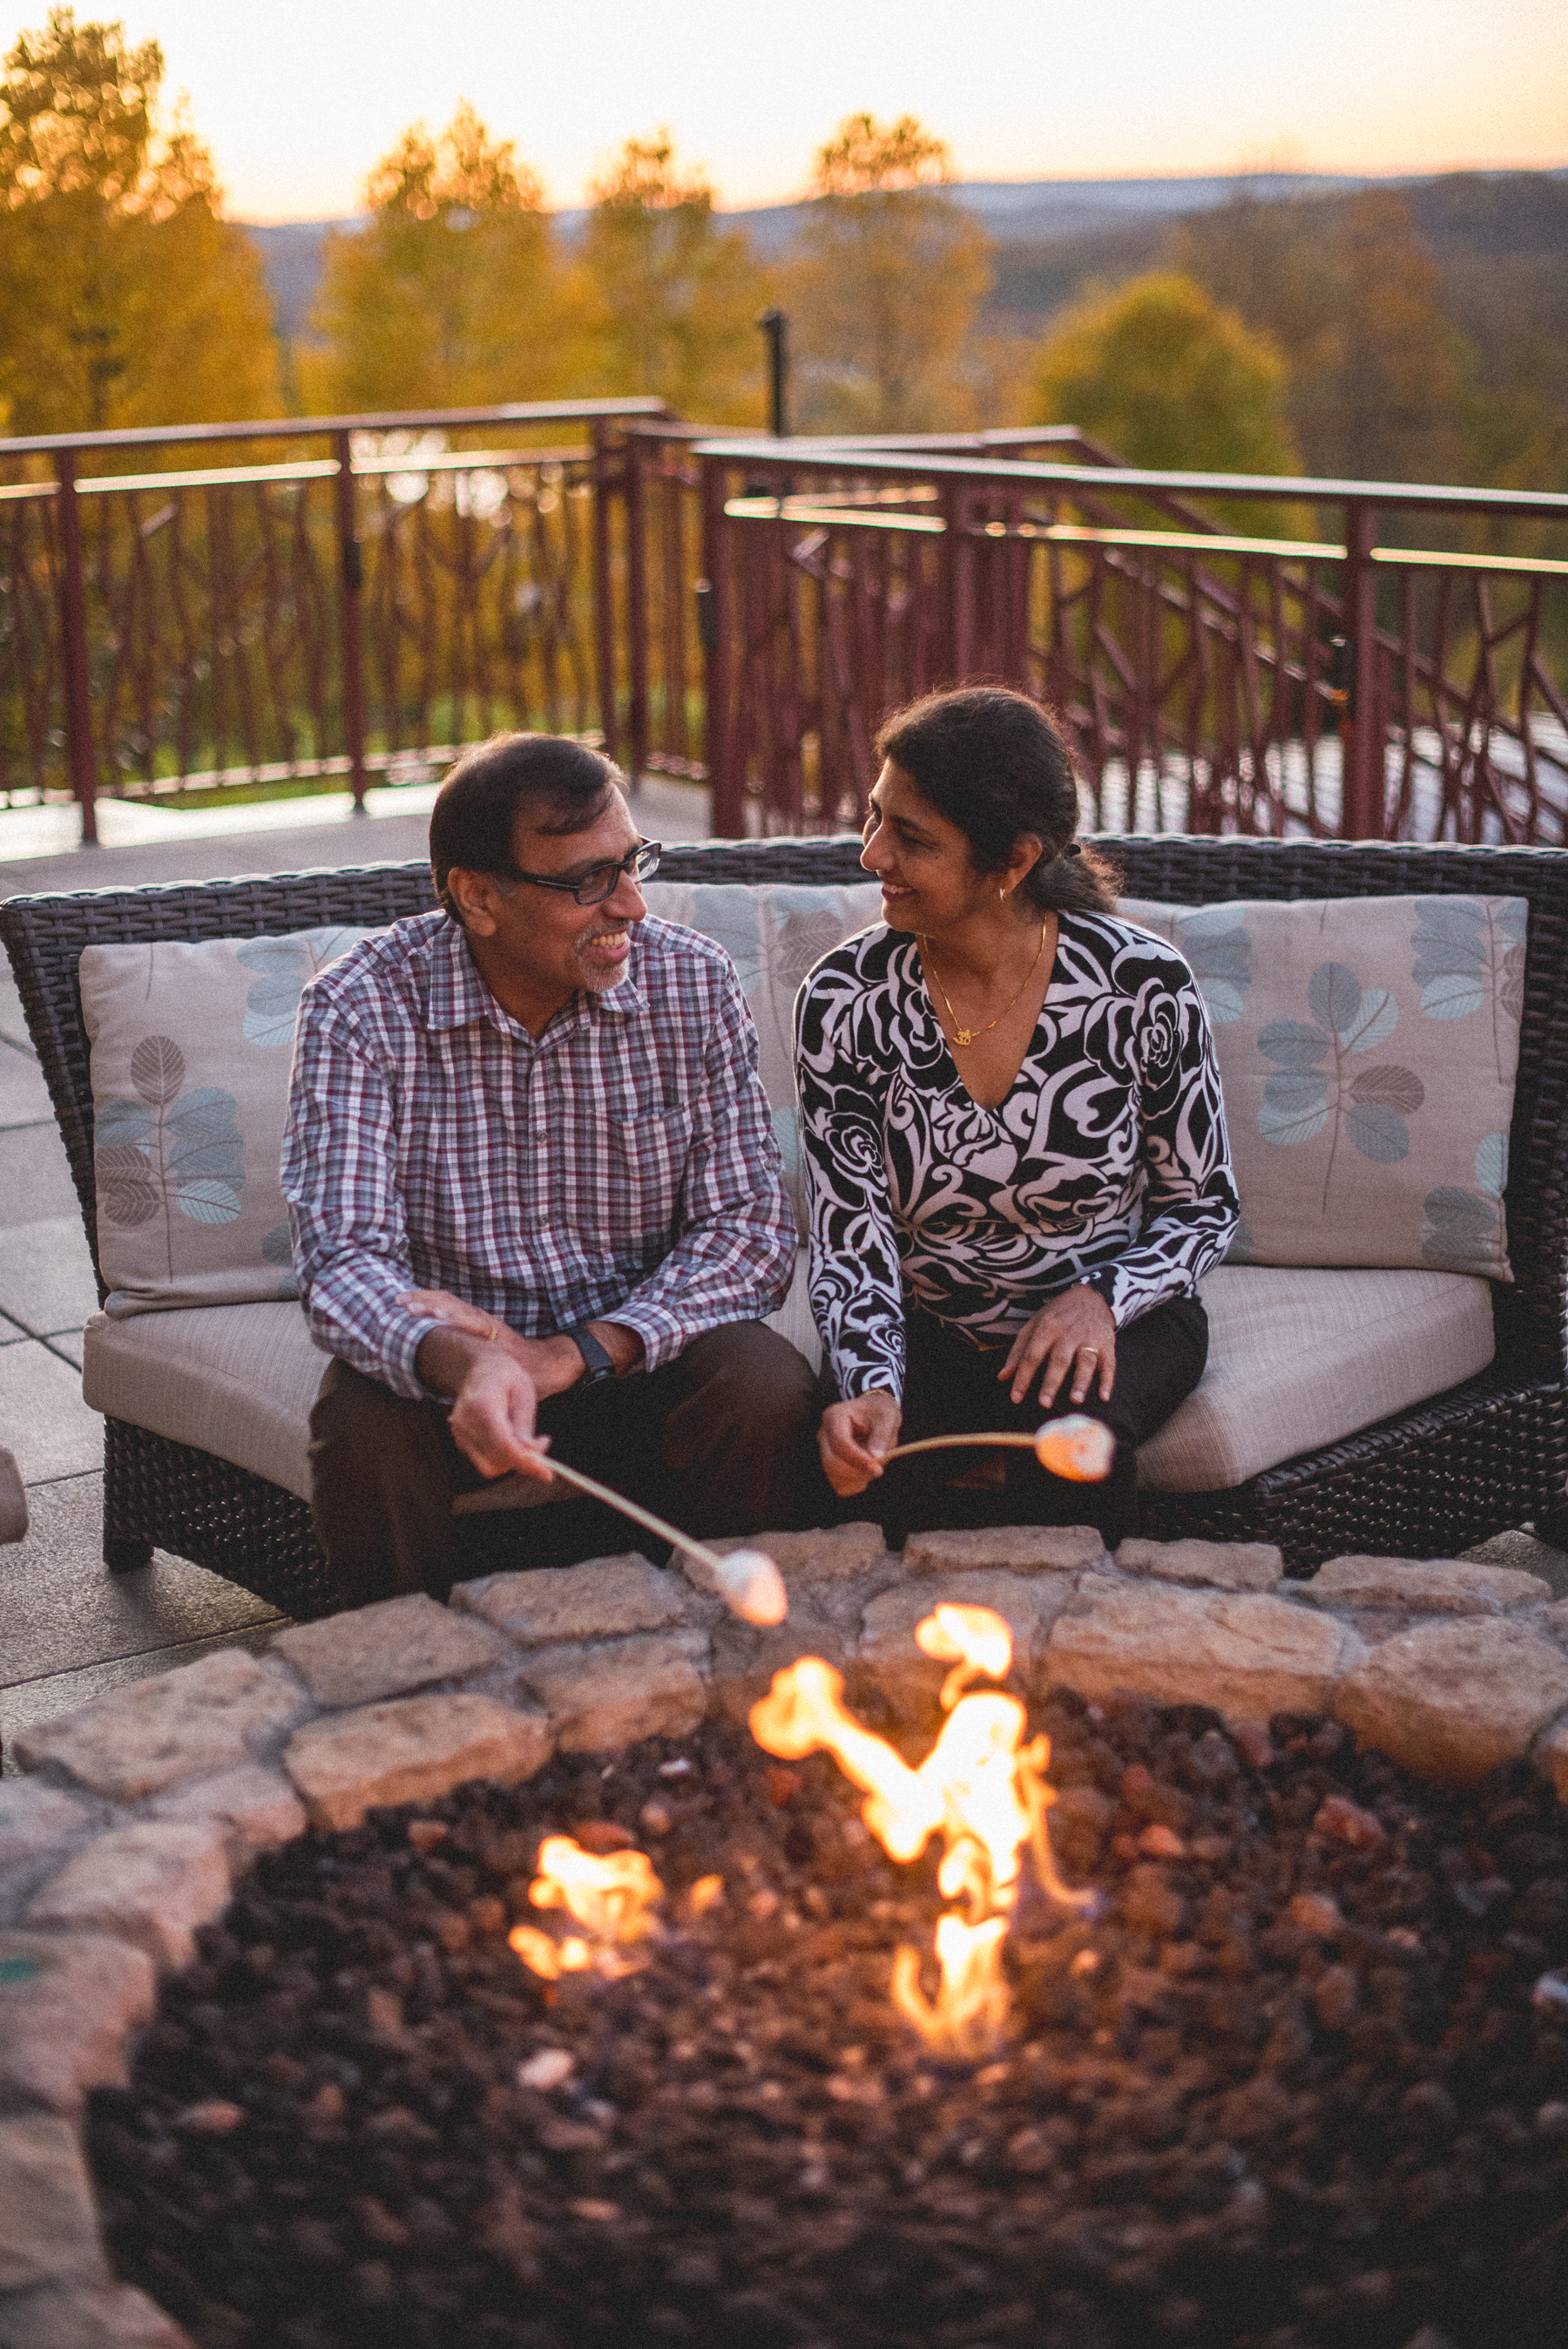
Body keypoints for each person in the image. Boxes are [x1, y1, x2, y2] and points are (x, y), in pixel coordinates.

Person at [282, 732, 813, 1607]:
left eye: (632, 863)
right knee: (360, 1432)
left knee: (762, 1387)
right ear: (478, 897)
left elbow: (750, 1228)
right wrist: (469, 1361)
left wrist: (574, 1354)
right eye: (585, 881)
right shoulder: (359, 1006)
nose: (632, 906)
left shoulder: (691, 983)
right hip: (462, 1376)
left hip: (631, 1354)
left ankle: (723, 1663)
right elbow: (343, 1257)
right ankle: (404, 1694)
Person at [795, 685, 1238, 1546]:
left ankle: (1085, 1662)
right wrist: (872, 1383)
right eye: (875, 816)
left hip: (1118, 1314)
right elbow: (854, 1236)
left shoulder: (1140, 987)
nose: (871, 853)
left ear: (1012, 862)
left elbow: (1202, 1204)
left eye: (911, 838)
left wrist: (1102, 1298)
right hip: (931, 1326)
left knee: (1067, 1440)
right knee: (845, 1470)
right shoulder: (845, 1001)